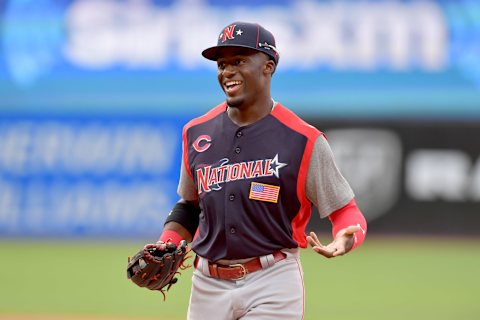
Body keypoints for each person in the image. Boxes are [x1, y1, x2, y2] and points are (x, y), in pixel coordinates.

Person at [157, 21, 367, 320]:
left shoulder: (303, 139)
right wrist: (166, 244)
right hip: (207, 284)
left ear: (268, 66)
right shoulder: (196, 133)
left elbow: (346, 211)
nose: (227, 71)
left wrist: (348, 236)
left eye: (239, 61)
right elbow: (190, 207)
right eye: (222, 64)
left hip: (273, 281)